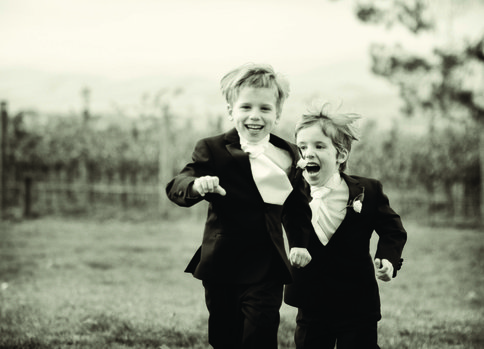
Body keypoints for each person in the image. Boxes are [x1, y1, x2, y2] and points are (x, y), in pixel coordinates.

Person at [166, 63, 313, 349]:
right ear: (231, 110)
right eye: (246, 107)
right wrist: (197, 185)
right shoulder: (212, 149)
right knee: (225, 338)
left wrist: (299, 243)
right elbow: (178, 184)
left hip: (268, 265)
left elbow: (296, 206)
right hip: (223, 265)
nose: (255, 116)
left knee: (261, 334)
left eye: (265, 109)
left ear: (278, 114)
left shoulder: (289, 154)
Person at [284, 103, 407, 349]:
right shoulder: (288, 191)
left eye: (319, 146)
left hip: (358, 302)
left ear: (340, 155)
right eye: (303, 147)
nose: (308, 153)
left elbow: (392, 230)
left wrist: (388, 260)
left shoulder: (368, 191)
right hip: (311, 302)